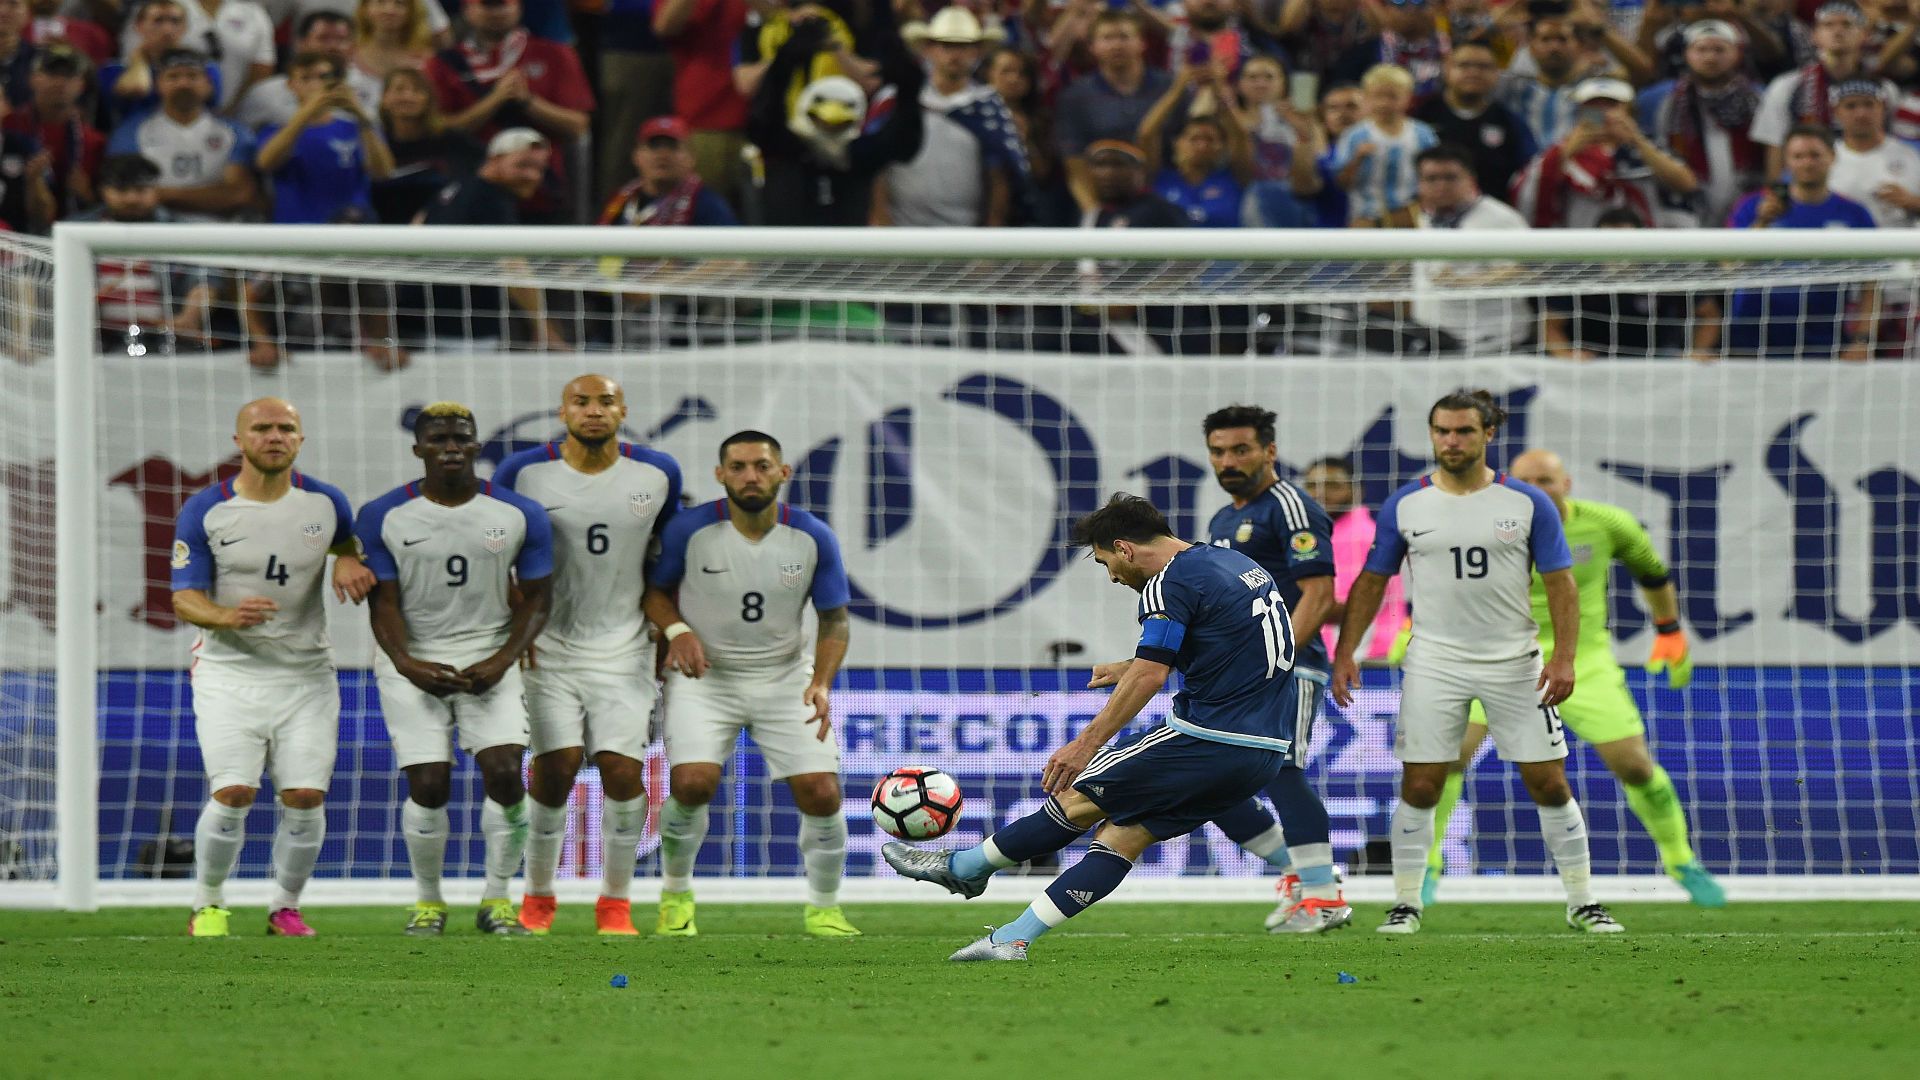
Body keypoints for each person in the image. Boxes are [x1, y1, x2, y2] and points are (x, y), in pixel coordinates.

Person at [883, 493, 1300, 961]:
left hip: (1207, 736)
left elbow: (1152, 674)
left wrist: (1086, 742)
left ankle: (964, 867)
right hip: (1265, 749)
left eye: (1106, 564)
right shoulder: (1232, 563)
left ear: (1124, 548)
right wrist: (1131, 664)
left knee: (1078, 793)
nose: (1113, 577)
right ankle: (1011, 939)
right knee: (1124, 835)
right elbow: (1226, 644)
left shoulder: (1168, 582)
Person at [1331, 390, 1623, 936]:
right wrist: (1346, 650)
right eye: (1442, 431)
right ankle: (1406, 902)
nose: (1451, 441)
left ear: (1488, 435)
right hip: (1434, 659)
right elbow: (1373, 582)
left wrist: (1562, 657)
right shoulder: (1405, 504)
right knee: (1421, 784)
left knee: (1548, 782)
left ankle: (1583, 900)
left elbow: (1561, 583)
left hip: (1515, 660)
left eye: (1463, 431)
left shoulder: (1527, 503)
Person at [1423, 449, 1725, 908]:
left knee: (1635, 765)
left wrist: (1668, 630)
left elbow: (1652, 572)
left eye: (1546, 480)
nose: (1535, 490)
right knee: (1447, 756)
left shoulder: (1608, 524)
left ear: (1566, 484)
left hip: (1583, 659)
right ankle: (1427, 864)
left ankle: (1681, 859)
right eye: (1525, 482)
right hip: (1498, 657)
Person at [169, 398, 374, 937]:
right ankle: (208, 903)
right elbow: (183, 598)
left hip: (306, 675)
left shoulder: (326, 502)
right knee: (233, 792)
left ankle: (286, 906)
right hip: (228, 674)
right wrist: (226, 616)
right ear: (240, 440)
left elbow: (347, 541)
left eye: (286, 428)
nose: (275, 437)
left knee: (305, 797)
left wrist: (349, 556)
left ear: (300, 440)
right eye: (262, 428)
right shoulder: (206, 510)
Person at [643, 431, 858, 939]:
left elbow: (835, 621)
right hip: (704, 679)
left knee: (822, 792)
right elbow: (653, 592)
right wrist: (677, 631)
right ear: (720, 475)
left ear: (783, 472)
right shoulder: (690, 530)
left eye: (761, 466)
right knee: (693, 784)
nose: (750, 476)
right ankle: (675, 896)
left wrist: (822, 683)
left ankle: (824, 909)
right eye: (738, 467)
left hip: (785, 677)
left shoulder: (811, 536)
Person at [492, 375, 682, 937]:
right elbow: (495, 554)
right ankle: (538, 900)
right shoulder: (523, 472)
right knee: (555, 769)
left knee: (624, 770)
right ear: (563, 410)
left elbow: (664, 565)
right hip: (547, 648)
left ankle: (615, 904)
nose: (593, 411)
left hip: (624, 647)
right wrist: (515, 635)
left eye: (605, 401)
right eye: (583, 402)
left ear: (623, 410)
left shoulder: (657, 473)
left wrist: (667, 630)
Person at [355, 402, 554, 937]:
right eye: (438, 439)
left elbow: (538, 598)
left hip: (490, 657)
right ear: (418, 449)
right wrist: (406, 662)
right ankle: (428, 903)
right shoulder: (382, 515)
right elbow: (384, 602)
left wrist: (502, 659)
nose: (451, 447)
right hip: (411, 661)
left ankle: (497, 900)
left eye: (462, 438)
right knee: (429, 782)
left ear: (476, 446)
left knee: (508, 774)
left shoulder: (517, 513)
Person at [1190, 406, 1351, 934]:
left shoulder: (1290, 506)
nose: (1228, 460)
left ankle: (1323, 898)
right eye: (1218, 451)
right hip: (1235, 675)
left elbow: (1320, 594)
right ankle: (1299, 874)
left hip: (1289, 668)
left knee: (1283, 769)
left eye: (1241, 449)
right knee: (1207, 785)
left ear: (1270, 451)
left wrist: (1275, 660)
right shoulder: (1221, 520)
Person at [425, 0, 592, 223]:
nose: (496, 12)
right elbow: (438, 129)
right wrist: (494, 100)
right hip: (470, 192)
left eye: (503, 4)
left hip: (540, 192)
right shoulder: (444, 64)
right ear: (467, 10)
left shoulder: (554, 54)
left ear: (518, 8)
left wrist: (528, 101)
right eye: (487, 5)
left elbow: (578, 125)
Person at [1726, 124, 1879, 359]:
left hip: (1825, 342)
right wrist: (1762, 223)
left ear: (1832, 156)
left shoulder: (1854, 214)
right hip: (1752, 340)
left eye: (1815, 155)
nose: (1807, 163)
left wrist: (1862, 340)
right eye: (1798, 156)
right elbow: (1729, 267)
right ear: (1786, 161)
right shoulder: (1752, 206)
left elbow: (1873, 283)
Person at [413, 127, 570, 348]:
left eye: (539, 169)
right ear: (495, 159)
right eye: (522, 165)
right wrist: (544, 329)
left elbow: (416, 225)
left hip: (419, 325)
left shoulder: (456, 188)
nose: (532, 176)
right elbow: (514, 269)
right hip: (461, 334)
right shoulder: (491, 201)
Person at [872, 7, 1021, 228]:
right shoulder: (896, 101)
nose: (955, 55)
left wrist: (991, 234)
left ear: (976, 52)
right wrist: (880, 219)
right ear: (929, 49)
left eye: (963, 46)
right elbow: (876, 163)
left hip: (964, 235)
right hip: (900, 233)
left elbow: (999, 176)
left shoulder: (988, 108)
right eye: (947, 45)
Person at [1509, 75, 1700, 227]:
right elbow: (1529, 191)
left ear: (1629, 110)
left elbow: (1686, 184)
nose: (1603, 113)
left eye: (1611, 105)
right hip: (1582, 247)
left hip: (1644, 247)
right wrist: (1568, 149)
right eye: (1593, 106)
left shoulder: (1650, 145)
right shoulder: (1563, 149)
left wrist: (1637, 141)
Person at [1542, 206, 1725, 358]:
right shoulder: (1580, 271)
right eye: (1608, 243)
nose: (1617, 251)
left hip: (1659, 356)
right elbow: (1550, 324)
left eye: (1625, 243)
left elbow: (1709, 314)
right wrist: (1564, 353)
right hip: (1594, 359)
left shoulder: (1665, 269)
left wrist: (1697, 352)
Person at [106, 49, 257, 223]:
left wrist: (164, 194)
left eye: (192, 76)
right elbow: (129, 197)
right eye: (173, 77)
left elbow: (238, 194)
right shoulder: (130, 133)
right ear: (158, 84)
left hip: (220, 230)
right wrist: (210, 195)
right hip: (154, 230)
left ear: (209, 85)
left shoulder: (236, 133)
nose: (183, 83)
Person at [1409, 144, 1534, 353]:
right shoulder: (1424, 218)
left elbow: (1524, 269)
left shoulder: (1499, 218)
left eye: (1450, 177)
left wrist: (1465, 282)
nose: (1441, 185)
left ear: (1470, 178)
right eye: (1431, 179)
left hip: (1492, 341)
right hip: (1434, 338)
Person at [1642, 19, 1765, 227]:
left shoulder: (1756, 100)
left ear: (1737, 53)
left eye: (1719, 50)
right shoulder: (1668, 103)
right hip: (1688, 204)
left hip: (1746, 197)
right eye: (1701, 49)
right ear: (1686, 54)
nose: (1710, 57)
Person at [1750, 2, 1894, 178]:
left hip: (1868, 179)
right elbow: (1775, 147)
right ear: (1814, 35)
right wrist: (1777, 195)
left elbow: (1892, 142)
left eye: (1847, 24)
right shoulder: (1788, 86)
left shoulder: (1885, 89)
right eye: (1828, 25)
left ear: (1864, 35)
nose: (1838, 31)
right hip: (1810, 185)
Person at [1055, 11, 1173, 213]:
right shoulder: (1075, 96)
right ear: (1092, 47)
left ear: (1141, 43)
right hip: (1103, 202)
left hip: (1167, 197)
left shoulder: (1169, 87)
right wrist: (1095, 218)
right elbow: (1075, 166)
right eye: (1108, 38)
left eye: (1124, 37)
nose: (1117, 45)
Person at [255, 50, 393, 223]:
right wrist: (306, 114)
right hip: (296, 233)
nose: (315, 85)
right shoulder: (274, 130)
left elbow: (383, 172)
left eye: (323, 77)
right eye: (306, 78)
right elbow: (266, 163)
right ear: (291, 85)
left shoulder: (357, 127)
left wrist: (359, 114)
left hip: (351, 231)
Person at [1303, 455, 1407, 662]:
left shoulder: (1358, 535)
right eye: (1312, 485)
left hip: (1365, 658)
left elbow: (1344, 605)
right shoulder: (1322, 533)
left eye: (1332, 485)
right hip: (1348, 655)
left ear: (1355, 490)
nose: (1320, 493)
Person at [650, 0, 749, 208]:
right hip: (708, 115)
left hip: (766, 116)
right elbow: (664, 26)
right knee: (702, 211)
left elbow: (774, 11)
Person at [1415, 38, 1538, 204]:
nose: (1473, 72)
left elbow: (1527, 175)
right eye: (1464, 65)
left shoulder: (1509, 122)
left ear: (1496, 73)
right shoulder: (1420, 113)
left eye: (1483, 67)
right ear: (1447, 69)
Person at [1138, 68, 1256, 228]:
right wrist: (1177, 91)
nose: (1202, 145)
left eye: (1210, 139)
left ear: (1221, 148)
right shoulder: (1159, 178)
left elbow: (1240, 135)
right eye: (1194, 139)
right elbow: (1146, 134)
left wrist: (1220, 93)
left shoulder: (1234, 178)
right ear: (1176, 143)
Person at [235, 10, 381, 131]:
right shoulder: (266, 93)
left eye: (341, 39)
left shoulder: (373, 89)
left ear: (353, 46)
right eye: (323, 38)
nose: (333, 46)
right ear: (301, 44)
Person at [3, 42, 102, 218]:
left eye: (69, 75)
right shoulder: (7, 127)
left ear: (81, 84)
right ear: (33, 79)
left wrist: (87, 194)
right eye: (51, 73)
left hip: (74, 226)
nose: (60, 82)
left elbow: (104, 203)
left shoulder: (93, 141)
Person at [369, 65, 479, 223]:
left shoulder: (452, 140)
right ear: (384, 99)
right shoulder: (371, 142)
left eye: (417, 91)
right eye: (399, 89)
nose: (407, 96)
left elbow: (471, 183)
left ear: (428, 100)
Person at [1333, 63, 1439, 227]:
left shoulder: (1422, 134)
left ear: (1408, 98)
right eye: (1377, 96)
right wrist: (1357, 159)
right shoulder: (1354, 135)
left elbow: (1435, 176)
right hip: (1365, 219)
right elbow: (1341, 183)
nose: (1384, 103)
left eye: (1392, 96)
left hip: (1412, 218)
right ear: (1366, 98)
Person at [598, 115, 738, 226]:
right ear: (636, 156)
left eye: (673, 147)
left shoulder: (708, 206)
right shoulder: (619, 202)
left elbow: (733, 258)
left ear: (692, 157)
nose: (663, 155)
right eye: (654, 146)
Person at [1827, 79, 1920, 226]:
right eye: (1851, 106)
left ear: (1883, 108)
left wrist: (1914, 202)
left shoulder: (1914, 154)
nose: (1861, 114)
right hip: (1842, 245)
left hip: (1900, 244)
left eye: (1869, 104)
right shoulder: (1820, 158)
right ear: (1836, 112)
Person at [352, 0, 436, 86]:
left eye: (399, 3)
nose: (389, 10)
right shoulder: (348, 56)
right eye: (380, 2)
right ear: (365, 8)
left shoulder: (428, 63)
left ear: (411, 12)